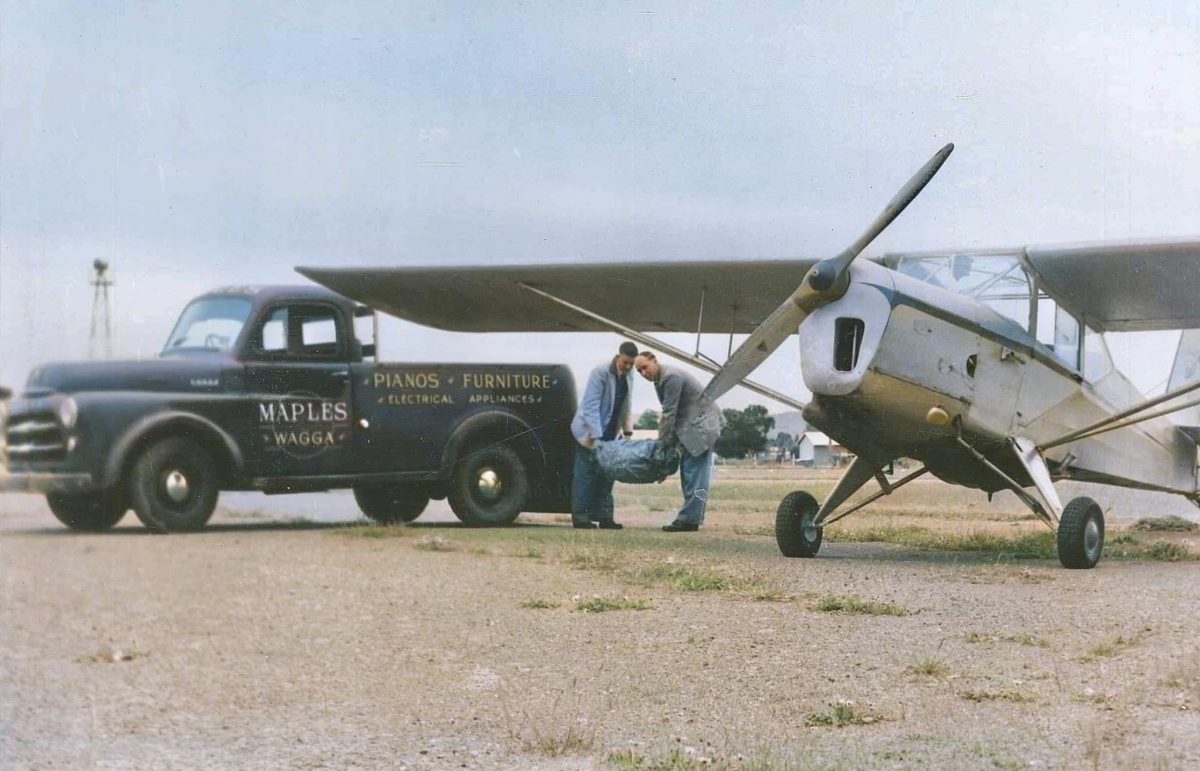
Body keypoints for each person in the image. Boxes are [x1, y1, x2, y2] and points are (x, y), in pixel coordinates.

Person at [633, 351, 722, 532]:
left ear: (654, 361)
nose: (643, 373)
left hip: (701, 427)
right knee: (692, 474)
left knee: (695, 475)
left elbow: (669, 414)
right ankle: (692, 518)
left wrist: (662, 445)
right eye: (639, 371)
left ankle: (689, 520)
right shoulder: (661, 379)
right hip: (693, 427)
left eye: (644, 367)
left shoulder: (670, 378)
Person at [569, 341, 638, 529]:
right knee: (586, 474)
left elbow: (626, 404)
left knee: (608, 474)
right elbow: (590, 406)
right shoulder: (600, 372)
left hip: (610, 432)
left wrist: (627, 429)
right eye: (625, 362)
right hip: (589, 432)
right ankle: (580, 517)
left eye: (631, 364)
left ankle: (605, 517)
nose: (629, 367)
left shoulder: (629, 375)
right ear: (618, 356)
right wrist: (597, 437)